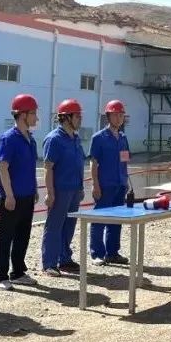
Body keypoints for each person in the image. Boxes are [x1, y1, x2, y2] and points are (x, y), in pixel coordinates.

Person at [0, 94, 40, 290]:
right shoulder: (9, 139)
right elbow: (3, 167)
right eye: (33, 113)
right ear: (22, 115)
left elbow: (31, 168)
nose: (36, 118)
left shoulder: (30, 140)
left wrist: (35, 188)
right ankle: (1, 276)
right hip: (12, 198)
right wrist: (9, 194)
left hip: (27, 196)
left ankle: (18, 272)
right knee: (5, 238)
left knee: (23, 236)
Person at [41, 99, 86, 277]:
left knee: (69, 226)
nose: (80, 119)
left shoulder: (75, 138)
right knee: (54, 226)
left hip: (74, 190)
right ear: (66, 118)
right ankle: (49, 263)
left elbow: (79, 163)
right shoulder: (54, 139)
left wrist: (81, 187)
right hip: (60, 191)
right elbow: (48, 167)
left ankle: (64, 259)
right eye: (77, 116)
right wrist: (50, 193)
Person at [89, 99, 132, 267]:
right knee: (100, 218)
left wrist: (126, 181)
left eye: (121, 115)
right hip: (105, 185)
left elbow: (125, 160)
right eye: (115, 115)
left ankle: (112, 253)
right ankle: (97, 254)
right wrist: (95, 184)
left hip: (120, 184)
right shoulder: (99, 138)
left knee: (116, 219)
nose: (119, 118)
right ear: (108, 116)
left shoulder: (123, 138)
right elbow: (93, 163)